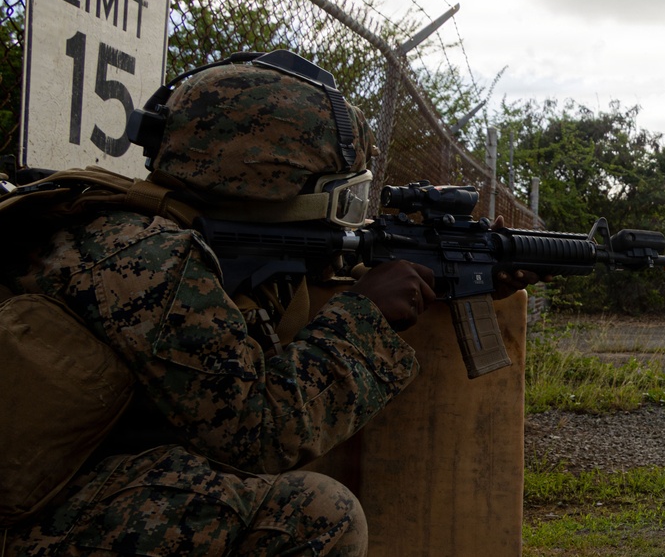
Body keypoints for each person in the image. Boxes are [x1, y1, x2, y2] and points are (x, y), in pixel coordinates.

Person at [1, 50, 537, 556]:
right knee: (317, 515)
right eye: (342, 196)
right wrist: (365, 317)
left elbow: (314, 268)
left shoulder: (160, 228)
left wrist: (456, 272)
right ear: (270, 187)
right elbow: (259, 433)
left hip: (64, 473)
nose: (348, 215)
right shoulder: (153, 259)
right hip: (23, 522)